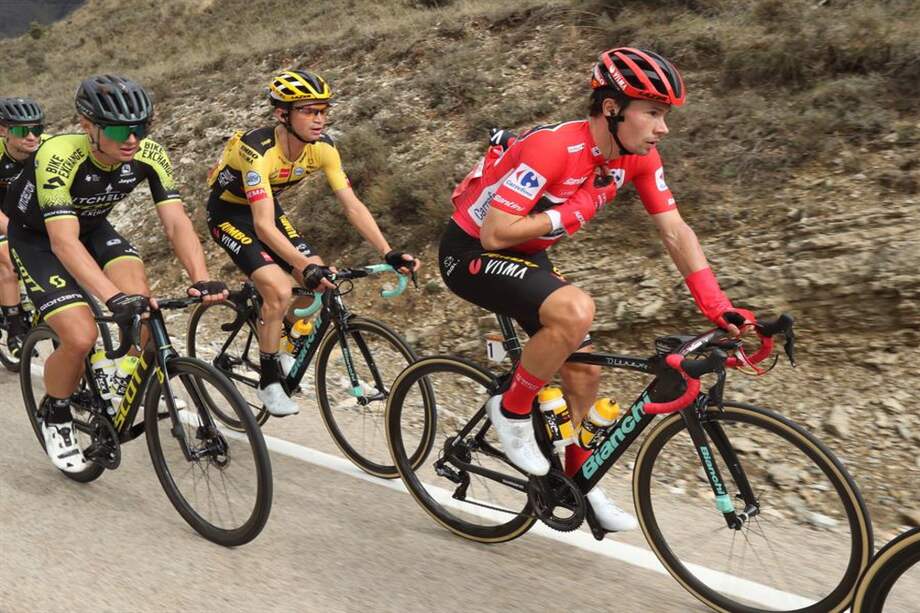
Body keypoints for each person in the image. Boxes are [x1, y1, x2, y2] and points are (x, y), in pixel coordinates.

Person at [439, 47, 755, 533]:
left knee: (585, 371)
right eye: (653, 113)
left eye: (664, 116)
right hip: (470, 253)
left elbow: (676, 232)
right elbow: (496, 233)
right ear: (612, 108)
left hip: (526, 254)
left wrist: (718, 306)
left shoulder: (639, 160)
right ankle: (511, 409)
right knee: (576, 309)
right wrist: (572, 211)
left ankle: (576, 478)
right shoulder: (553, 148)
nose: (662, 128)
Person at [4, 75, 228, 473]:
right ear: (88, 126)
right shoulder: (57, 154)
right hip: (39, 239)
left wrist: (201, 276)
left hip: (94, 229)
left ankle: (119, 373)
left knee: (143, 307)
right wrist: (111, 298)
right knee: (80, 334)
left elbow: (175, 223)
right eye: (120, 129)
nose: (132, 139)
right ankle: (56, 412)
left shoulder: (150, 155)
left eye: (141, 128)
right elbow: (63, 241)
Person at [205, 69, 420, 417]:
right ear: (282, 115)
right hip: (230, 214)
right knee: (279, 287)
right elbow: (261, 225)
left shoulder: (324, 149)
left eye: (322, 110)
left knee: (316, 281)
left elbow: (352, 205)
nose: (319, 119)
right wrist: (302, 267)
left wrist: (389, 250)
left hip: (266, 208)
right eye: (308, 111)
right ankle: (269, 380)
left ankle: (285, 340)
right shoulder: (257, 150)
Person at [0, 97, 47, 355]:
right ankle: (15, 331)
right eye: (21, 130)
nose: (32, 137)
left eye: (37, 129)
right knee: (7, 258)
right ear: (3, 130)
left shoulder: (48, 148)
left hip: (23, 211)